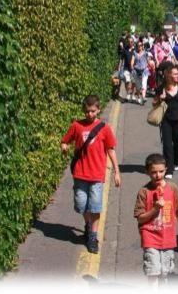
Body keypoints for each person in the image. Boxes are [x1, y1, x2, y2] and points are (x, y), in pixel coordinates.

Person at [61, 95, 121, 254]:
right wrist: (64, 146)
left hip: (97, 176)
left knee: (95, 207)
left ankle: (93, 237)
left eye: (93, 111)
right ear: (84, 110)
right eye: (87, 111)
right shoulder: (77, 126)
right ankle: (88, 225)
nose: (90, 114)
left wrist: (116, 171)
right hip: (80, 174)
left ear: (98, 110)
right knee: (82, 205)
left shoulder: (104, 128)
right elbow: (65, 140)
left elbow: (110, 150)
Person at [134, 153, 178, 287]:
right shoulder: (144, 192)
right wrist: (155, 209)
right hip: (150, 237)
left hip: (168, 239)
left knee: (165, 275)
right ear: (147, 172)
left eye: (161, 171)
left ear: (166, 170)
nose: (158, 175)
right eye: (153, 172)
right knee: (153, 274)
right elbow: (140, 218)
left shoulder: (173, 188)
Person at [153, 65, 178, 178]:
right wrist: (160, 99)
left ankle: (176, 161)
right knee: (167, 145)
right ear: (168, 75)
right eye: (174, 74)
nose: (177, 76)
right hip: (166, 121)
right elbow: (154, 104)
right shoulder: (161, 88)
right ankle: (169, 169)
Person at [120, 38, 136, 102]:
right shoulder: (125, 49)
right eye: (129, 42)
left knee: (134, 82)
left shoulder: (135, 49)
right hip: (126, 68)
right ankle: (128, 94)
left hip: (134, 68)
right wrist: (119, 67)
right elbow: (121, 59)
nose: (130, 43)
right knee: (127, 81)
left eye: (131, 42)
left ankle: (133, 94)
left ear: (133, 42)